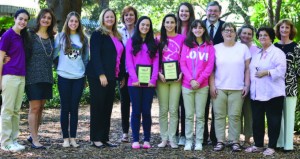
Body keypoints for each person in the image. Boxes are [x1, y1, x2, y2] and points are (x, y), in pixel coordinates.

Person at [86, 8, 125, 148]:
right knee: (98, 106)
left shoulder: (117, 35)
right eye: (107, 17)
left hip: (112, 76)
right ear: (103, 18)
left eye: (112, 17)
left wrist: (121, 76)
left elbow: (121, 57)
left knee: (108, 107)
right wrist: (101, 74)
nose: (110, 19)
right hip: (99, 76)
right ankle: (95, 138)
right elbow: (95, 55)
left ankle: (104, 137)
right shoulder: (98, 34)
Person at [245, 27, 286, 156]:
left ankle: (272, 146)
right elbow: (251, 72)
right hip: (257, 93)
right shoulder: (257, 54)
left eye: (265, 35)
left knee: (273, 120)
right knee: (257, 120)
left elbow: (281, 70)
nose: (262, 37)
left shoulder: (277, 53)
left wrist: (267, 72)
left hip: (273, 93)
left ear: (271, 37)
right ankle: (258, 144)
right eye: (260, 35)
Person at [210, 22, 251, 152]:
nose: (229, 33)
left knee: (235, 116)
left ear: (235, 33)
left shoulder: (243, 48)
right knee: (219, 115)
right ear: (222, 33)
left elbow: (247, 69)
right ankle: (220, 141)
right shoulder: (215, 48)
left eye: (232, 30)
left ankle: (235, 141)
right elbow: (211, 70)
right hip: (219, 87)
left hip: (237, 88)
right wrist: (212, 86)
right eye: (226, 30)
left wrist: (247, 85)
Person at [54, 11, 89, 148]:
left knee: (74, 108)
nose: (73, 23)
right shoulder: (61, 37)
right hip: (64, 76)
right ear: (67, 22)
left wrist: (85, 75)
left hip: (78, 77)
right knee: (65, 108)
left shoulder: (83, 38)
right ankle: (65, 138)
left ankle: (73, 137)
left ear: (79, 23)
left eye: (76, 21)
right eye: (71, 21)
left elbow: (86, 59)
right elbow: (53, 54)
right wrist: (59, 66)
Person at [180, 20, 215, 151]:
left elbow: (210, 66)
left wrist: (199, 81)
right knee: (188, 115)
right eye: (195, 27)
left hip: (202, 86)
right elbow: (182, 63)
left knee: (200, 115)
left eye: (200, 27)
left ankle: (199, 141)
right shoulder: (187, 44)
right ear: (192, 30)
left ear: (204, 30)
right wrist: (191, 80)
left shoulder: (210, 46)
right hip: (187, 85)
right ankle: (189, 141)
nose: (198, 30)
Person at [25, 8, 56, 149]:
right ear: (39, 19)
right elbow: (19, 51)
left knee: (41, 107)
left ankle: (33, 135)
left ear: (51, 21)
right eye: (44, 17)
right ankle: (35, 140)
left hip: (47, 76)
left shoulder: (52, 37)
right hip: (33, 76)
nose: (46, 20)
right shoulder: (30, 35)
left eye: (49, 18)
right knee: (34, 108)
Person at [126, 16, 158, 149]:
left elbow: (156, 62)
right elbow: (129, 62)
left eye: (148, 25)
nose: (145, 27)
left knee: (146, 111)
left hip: (149, 84)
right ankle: (135, 139)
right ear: (138, 25)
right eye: (143, 24)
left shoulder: (154, 42)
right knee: (136, 111)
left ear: (150, 28)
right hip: (134, 83)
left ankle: (146, 139)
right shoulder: (131, 41)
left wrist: (153, 79)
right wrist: (135, 79)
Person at [0, 9, 30, 152]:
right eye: (20, 19)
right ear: (15, 19)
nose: (23, 22)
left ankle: (14, 140)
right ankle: (5, 142)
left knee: (16, 111)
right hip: (9, 76)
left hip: (21, 76)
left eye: (25, 20)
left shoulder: (22, 36)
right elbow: (1, 58)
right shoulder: (7, 35)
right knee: (7, 110)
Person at [156, 14, 184, 149]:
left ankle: (172, 138)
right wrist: (158, 73)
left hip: (176, 79)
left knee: (173, 110)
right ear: (163, 23)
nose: (169, 25)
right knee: (163, 109)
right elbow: (155, 59)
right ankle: (164, 138)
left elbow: (184, 58)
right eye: (167, 22)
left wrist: (182, 72)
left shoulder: (182, 39)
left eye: (172, 22)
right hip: (162, 78)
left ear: (176, 24)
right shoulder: (158, 39)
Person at [202, 1, 225, 145]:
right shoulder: (198, 26)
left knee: (217, 108)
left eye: (215, 11)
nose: (212, 13)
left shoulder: (225, 27)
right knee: (202, 107)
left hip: (221, 73)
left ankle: (216, 137)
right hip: (202, 73)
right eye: (210, 10)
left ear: (219, 13)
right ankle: (202, 137)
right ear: (206, 11)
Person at [274, 19, 299, 151]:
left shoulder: (296, 46)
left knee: (289, 115)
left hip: (290, 85)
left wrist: (294, 77)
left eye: (287, 28)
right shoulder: (274, 47)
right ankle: (279, 143)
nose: (284, 30)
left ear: (291, 30)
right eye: (282, 27)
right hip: (275, 85)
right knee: (278, 115)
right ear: (278, 30)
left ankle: (288, 145)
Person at [237, 24, 260, 147]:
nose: (246, 36)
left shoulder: (257, 50)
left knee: (249, 112)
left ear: (252, 36)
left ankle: (247, 139)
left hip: (252, 85)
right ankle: (235, 138)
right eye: (244, 33)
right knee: (236, 112)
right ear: (239, 34)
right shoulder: (235, 47)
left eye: (249, 34)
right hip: (235, 84)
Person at [176, 2, 195, 146]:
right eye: (181, 11)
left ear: (190, 13)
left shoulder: (194, 28)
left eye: (186, 11)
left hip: (188, 70)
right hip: (171, 69)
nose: (184, 13)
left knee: (185, 104)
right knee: (174, 104)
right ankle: (174, 133)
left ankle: (184, 134)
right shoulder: (172, 26)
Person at [118, 6, 138, 142]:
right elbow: (117, 55)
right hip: (124, 73)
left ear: (135, 17)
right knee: (125, 102)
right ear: (123, 18)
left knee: (137, 103)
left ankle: (137, 131)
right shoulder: (118, 33)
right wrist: (120, 75)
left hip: (138, 73)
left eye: (131, 15)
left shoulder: (141, 31)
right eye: (126, 15)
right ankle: (125, 132)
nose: (129, 17)